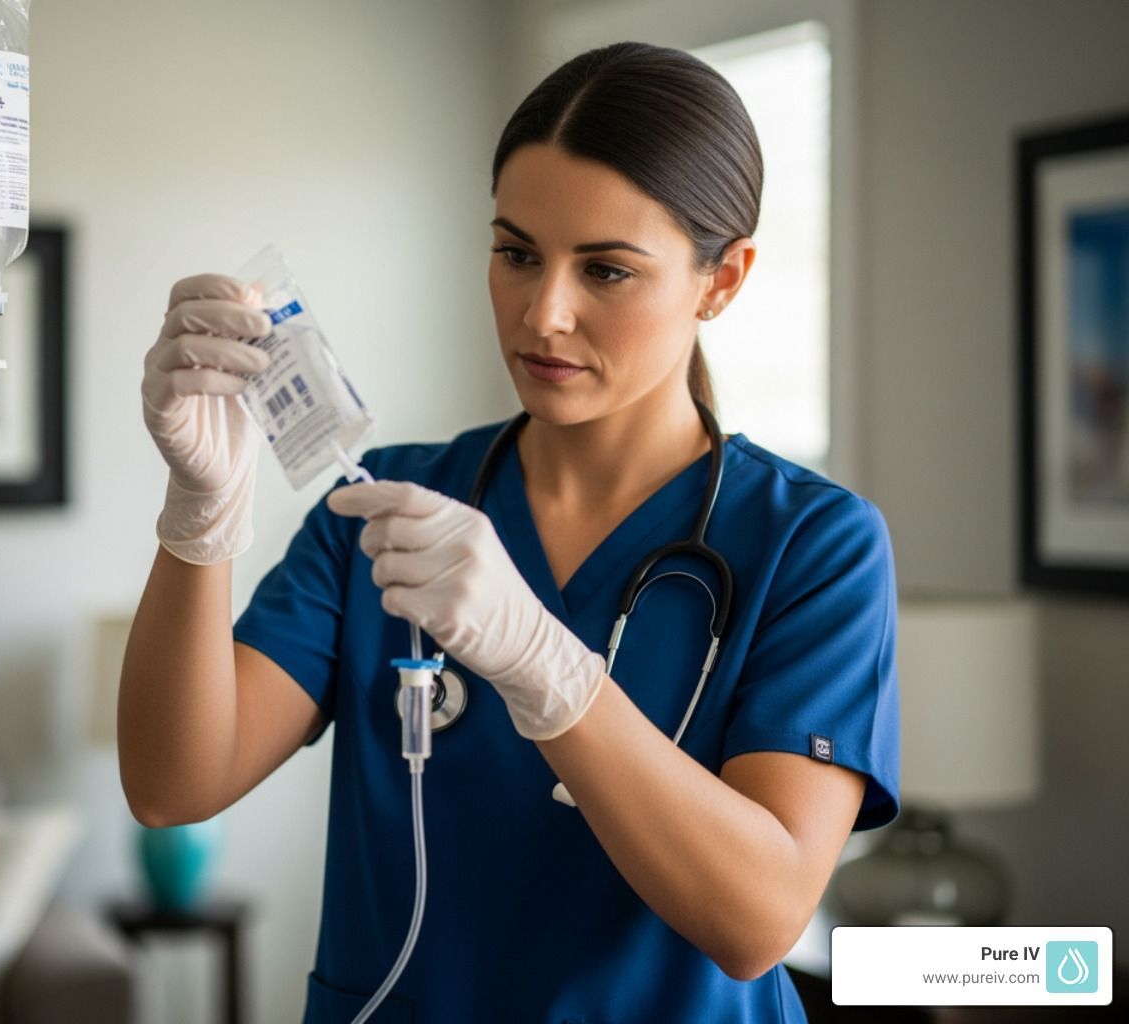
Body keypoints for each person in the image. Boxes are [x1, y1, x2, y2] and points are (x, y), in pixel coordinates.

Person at [120, 41, 899, 1024]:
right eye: (517, 251)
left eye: (607, 270)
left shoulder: (812, 544)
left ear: (724, 281)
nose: (545, 312)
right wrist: (200, 516)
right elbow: (170, 783)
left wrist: (545, 664)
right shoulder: (385, 507)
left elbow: (757, 920)